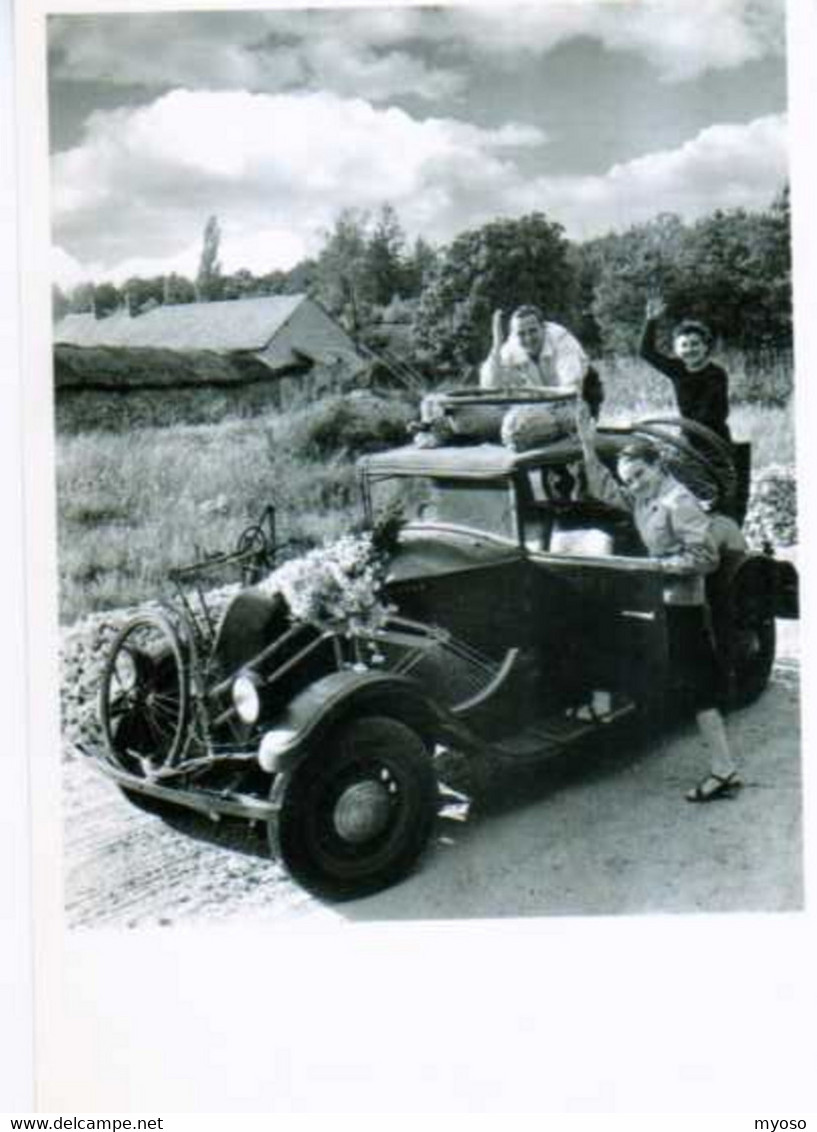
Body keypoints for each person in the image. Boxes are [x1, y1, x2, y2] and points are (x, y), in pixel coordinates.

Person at [574, 402, 742, 802]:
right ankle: (601, 704)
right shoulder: (642, 494)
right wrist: (585, 444)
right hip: (656, 599)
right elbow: (605, 486)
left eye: (639, 475)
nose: (633, 484)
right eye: (628, 478)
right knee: (611, 639)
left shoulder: (677, 501)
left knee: (699, 686)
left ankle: (724, 769)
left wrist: (656, 567)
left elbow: (706, 558)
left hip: (682, 604)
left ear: (658, 467)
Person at [640, 296, 732, 447]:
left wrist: (683, 437)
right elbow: (646, 352)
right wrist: (651, 321)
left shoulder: (716, 374)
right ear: (676, 349)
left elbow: (708, 415)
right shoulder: (677, 369)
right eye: (684, 345)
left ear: (705, 347)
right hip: (688, 436)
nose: (689, 350)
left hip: (713, 440)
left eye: (695, 344)